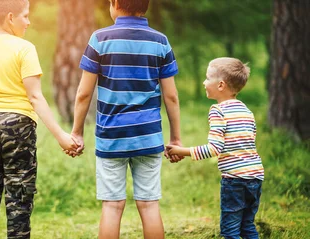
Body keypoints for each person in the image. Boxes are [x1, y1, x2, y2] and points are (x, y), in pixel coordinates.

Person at [0, 0, 79, 238]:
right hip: (18, 128)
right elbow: (35, 97)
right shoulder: (25, 49)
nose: (28, 21)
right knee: (19, 201)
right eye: (25, 16)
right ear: (9, 17)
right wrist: (62, 137)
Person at [68, 0, 182, 238]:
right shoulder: (160, 41)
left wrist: (77, 132)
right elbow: (171, 96)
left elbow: (83, 94)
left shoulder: (100, 39)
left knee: (112, 206)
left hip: (112, 137)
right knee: (150, 205)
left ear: (116, 4)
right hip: (148, 137)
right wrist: (176, 138)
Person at [166, 57, 264, 239]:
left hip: (235, 180)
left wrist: (182, 151)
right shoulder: (247, 111)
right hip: (255, 177)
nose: (204, 82)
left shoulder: (218, 111)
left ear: (220, 85)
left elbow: (214, 148)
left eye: (207, 77)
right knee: (247, 225)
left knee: (230, 230)